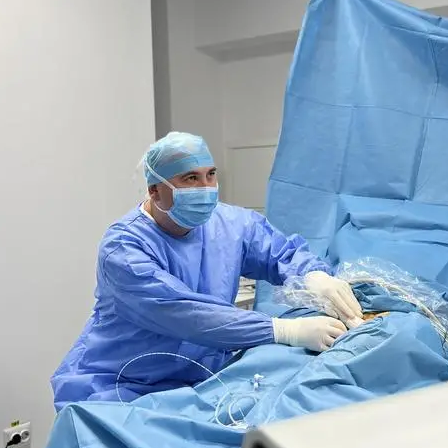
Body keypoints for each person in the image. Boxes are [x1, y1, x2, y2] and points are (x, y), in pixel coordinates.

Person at [52, 132, 363, 409]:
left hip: (201, 379)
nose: (205, 188)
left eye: (210, 175)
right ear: (155, 191)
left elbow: (281, 254)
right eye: (190, 178)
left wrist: (314, 276)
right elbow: (184, 313)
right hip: (120, 385)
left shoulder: (230, 224)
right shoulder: (123, 247)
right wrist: (284, 331)